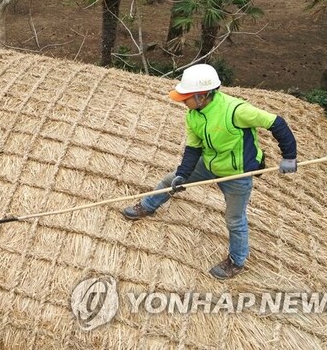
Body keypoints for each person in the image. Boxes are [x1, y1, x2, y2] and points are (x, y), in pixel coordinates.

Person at [122, 64, 297, 280]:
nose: (182, 101)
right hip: (209, 164)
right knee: (170, 180)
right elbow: (193, 148)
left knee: (234, 219)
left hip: (237, 173)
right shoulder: (193, 115)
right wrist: (183, 174)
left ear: (201, 95)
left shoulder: (236, 110)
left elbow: (276, 123)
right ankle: (148, 206)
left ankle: (237, 260)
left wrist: (289, 156)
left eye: (186, 97)